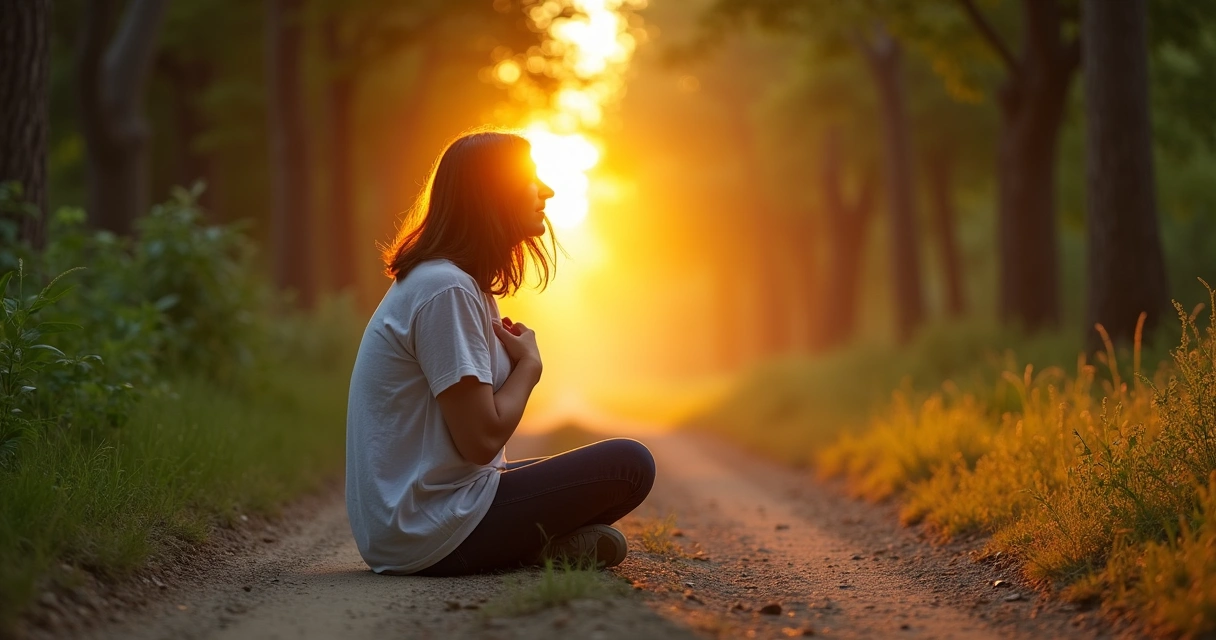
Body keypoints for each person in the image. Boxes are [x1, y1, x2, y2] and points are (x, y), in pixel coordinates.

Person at [345, 128, 656, 576]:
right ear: (494, 193)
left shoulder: (459, 286)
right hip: (427, 528)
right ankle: (529, 546)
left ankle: (534, 547)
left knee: (589, 468)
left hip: (429, 516)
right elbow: (481, 440)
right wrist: (528, 367)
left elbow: (477, 447)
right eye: (532, 178)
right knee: (629, 465)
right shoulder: (444, 288)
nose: (546, 191)